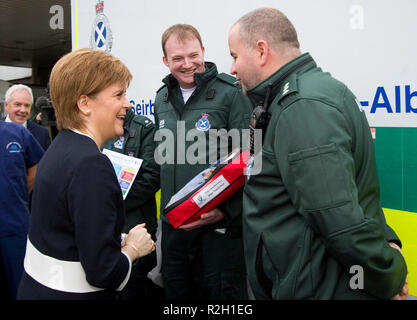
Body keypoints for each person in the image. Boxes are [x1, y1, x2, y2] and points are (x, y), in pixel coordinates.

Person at [228, 7, 408, 300]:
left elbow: (339, 220)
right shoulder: (297, 98)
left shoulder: (302, 107)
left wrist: (389, 274)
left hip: (317, 288)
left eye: (234, 55)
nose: (232, 68)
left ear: (261, 50)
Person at [17, 48, 156, 300]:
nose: (127, 103)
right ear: (84, 104)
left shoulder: (60, 147)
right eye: (119, 94)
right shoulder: (91, 164)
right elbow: (105, 273)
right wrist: (134, 248)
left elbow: (66, 228)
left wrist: (116, 238)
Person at [153, 24, 253, 300]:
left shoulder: (231, 92)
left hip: (218, 235)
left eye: (193, 55)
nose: (188, 65)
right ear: (165, 61)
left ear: (204, 52)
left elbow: (253, 161)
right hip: (175, 233)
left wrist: (227, 212)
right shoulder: (161, 98)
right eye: (177, 59)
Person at [102, 107, 162, 300]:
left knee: (134, 289)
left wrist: (110, 203)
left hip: (136, 228)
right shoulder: (98, 126)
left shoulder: (143, 129)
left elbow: (152, 178)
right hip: (104, 230)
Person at [0, 121, 44, 299]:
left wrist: (18, 195)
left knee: (20, 287)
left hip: (14, 227)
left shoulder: (16, 132)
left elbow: (35, 165)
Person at [4, 84, 51, 151]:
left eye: (27, 105)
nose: (23, 110)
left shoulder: (42, 134)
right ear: (6, 105)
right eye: (17, 104)